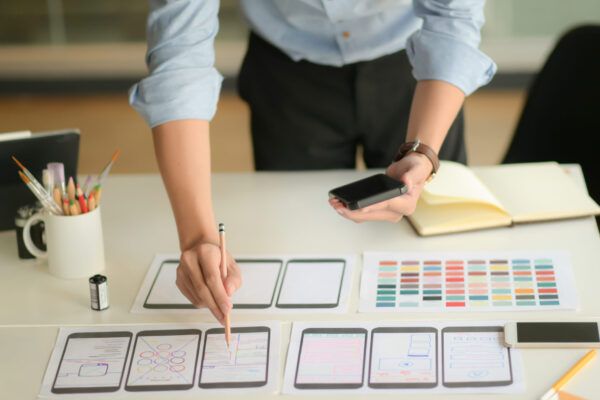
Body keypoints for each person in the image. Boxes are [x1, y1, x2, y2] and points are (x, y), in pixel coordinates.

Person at [129, 0, 496, 323]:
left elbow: (454, 14)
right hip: (287, 71)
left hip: (417, 67)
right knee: (299, 258)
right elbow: (180, 60)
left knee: (437, 253)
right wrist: (197, 237)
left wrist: (424, 151)